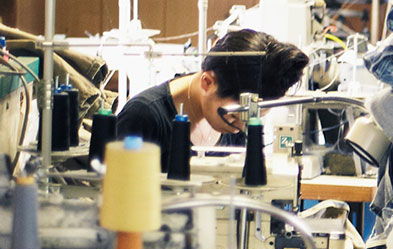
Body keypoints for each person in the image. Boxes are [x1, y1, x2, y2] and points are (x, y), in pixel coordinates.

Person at [114, 29, 309, 169]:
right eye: (234, 117)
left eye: (251, 118)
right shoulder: (144, 117)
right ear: (207, 82)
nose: (241, 128)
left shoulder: (235, 126)